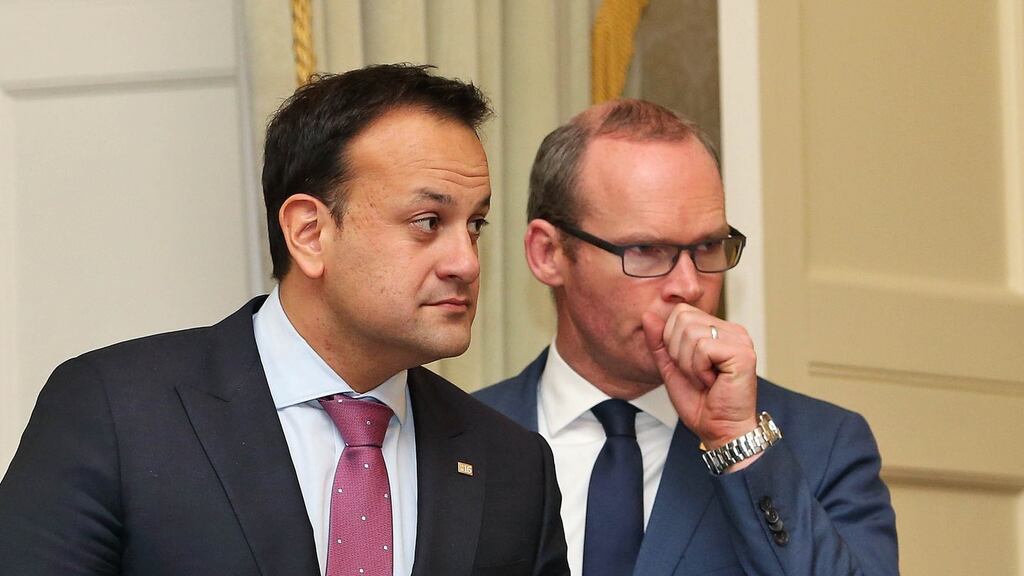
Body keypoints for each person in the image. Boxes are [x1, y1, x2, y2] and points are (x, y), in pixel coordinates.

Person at [0, 64, 568, 576]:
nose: (466, 263)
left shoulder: (513, 466)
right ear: (309, 233)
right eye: (427, 221)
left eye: (475, 225)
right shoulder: (116, 412)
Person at [475, 99, 898, 576]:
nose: (690, 286)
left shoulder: (823, 446)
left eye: (707, 246)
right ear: (548, 253)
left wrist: (736, 442)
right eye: (646, 250)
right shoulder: (450, 438)